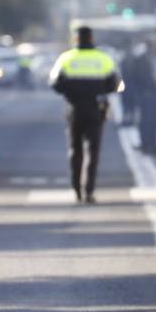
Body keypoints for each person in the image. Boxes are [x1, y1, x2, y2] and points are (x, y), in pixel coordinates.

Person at [48, 26, 121, 204]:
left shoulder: (66, 58)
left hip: (74, 108)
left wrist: (72, 91)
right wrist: (98, 90)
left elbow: (54, 84)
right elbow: (115, 84)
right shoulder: (103, 58)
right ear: (91, 38)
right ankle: (88, 191)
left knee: (75, 150)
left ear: (76, 40)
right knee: (93, 151)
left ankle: (76, 190)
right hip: (96, 108)